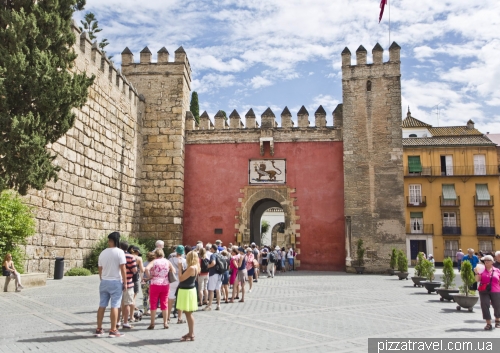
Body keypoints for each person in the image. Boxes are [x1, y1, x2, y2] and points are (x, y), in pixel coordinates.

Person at [95, 232, 127, 338]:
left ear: (109, 241)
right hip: (116, 281)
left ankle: (99, 328)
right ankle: (113, 330)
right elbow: (123, 268)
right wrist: (125, 282)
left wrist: (102, 278)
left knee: (102, 305)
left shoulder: (103, 253)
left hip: (104, 281)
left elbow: (100, 268)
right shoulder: (120, 252)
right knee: (115, 305)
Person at [145, 248, 173, 330]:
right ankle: (165, 323)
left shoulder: (154, 261)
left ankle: (152, 323)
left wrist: (149, 276)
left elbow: (147, 268)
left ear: (156, 255)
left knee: (153, 304)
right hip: (165, 284)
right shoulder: (167, 261)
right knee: (164, 303)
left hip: (155, 284)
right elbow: (173, 270)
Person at [176, 250, 200, 341]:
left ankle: (191, 333)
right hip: (189, 290)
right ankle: (190, 332)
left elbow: (181, 278)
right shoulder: (196, 266)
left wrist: (180, 268)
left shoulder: (191, 268)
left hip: (187, 291)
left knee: (188, 313)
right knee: (188, 313)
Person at [474, 255, 500, 330]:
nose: (486, 261)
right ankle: (488, 323)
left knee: (497, 305)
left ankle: (497, 321)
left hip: (496, 290)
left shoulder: (497, 270)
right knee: (484, 305)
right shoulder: (481, 270)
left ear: (492, 262)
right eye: (485, 260)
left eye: (488, 260)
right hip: (484, 291)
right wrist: (476, 273)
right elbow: (477, 280)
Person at [119, 241, 137, 329]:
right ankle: (125, 322)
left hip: (117, 281)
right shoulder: (131, 257)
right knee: (127, 304)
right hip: (129, 282)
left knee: (117, 304)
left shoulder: (117, 256)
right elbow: (134, 270)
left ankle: (117, 321)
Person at [168, 245, 187, 324]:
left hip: (172, 280)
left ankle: (167, 317)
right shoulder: (184, 261)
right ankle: (179, 318)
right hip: (181, 280)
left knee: (170, 299)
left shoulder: (170, 259)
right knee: (180, 299)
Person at [204, 244, 222, 311]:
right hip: (220, 274)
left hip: (213, 274)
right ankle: (218, 305)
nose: (210, 249)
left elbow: (213, 263)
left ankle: (210, 305)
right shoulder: (220, 254)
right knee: (218, 290)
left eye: (211, 248)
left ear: (213, 249)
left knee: (211, 290)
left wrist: (208, 266)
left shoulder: (213, 255)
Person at [129, 246, 143, 316]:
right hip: (135, 277)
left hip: (128, 277)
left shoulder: (127, 257)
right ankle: (133, 308)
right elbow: (142, 270)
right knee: (134, 295)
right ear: (137, 252)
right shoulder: (139, 258)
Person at [141, 252, 155, 316]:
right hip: (151, 282)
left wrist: (142, 279)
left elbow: (141, 272)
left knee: (145, 297)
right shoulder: (154, 264)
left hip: (144, 281)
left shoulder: (144, 263)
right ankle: (150, 310)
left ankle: (145, 310)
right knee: (151, 297)